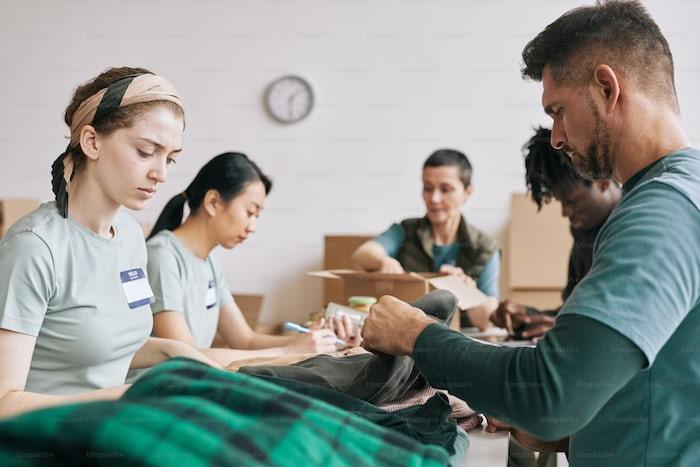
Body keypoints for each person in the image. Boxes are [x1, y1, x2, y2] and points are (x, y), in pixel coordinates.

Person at [362, 2, 700, 465]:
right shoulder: (684, 193)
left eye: (558, 111)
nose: (556, 137)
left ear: (606, 87)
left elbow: (552, 394)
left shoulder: (661, 212)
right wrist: (569, 437)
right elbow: (665, 382)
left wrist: (417, 336)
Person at [0, 67, 219, 419]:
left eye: (171, 158)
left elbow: (106, 348)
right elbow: (4, 403)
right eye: (146, 151)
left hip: (114, 427)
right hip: (45, 440)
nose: (161, 173)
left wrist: (178, 355)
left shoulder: (130, 236)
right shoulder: (34, 248)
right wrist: (126, 397)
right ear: (92, 142)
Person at [146, 152, 351, 366]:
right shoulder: (162, 256)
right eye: (250, 212)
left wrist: (315, 342)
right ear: (213, 202)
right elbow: (185, 358)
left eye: (257, 217)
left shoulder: (209, 261)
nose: (252, 227)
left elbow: (245, 340)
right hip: (154, 389)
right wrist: (288, 351)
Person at [491, 127, 622, 340]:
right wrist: (528, 316)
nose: (564, 213)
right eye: (560, 203)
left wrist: (572, 330)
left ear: (602, 181)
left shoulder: (634, 223)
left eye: (570, 201)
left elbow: (629, 319)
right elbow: (572, 312)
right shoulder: (584, 230)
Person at [352, 149, 499, 330]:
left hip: (459, 342)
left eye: (445, 189)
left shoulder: (484, 247)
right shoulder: (406, 231)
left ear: (467, 192)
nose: (434, 198)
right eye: (428, 188)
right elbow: (362, 254)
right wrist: (382, 261)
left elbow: (488, 321)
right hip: (405, 338)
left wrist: (467, 291)